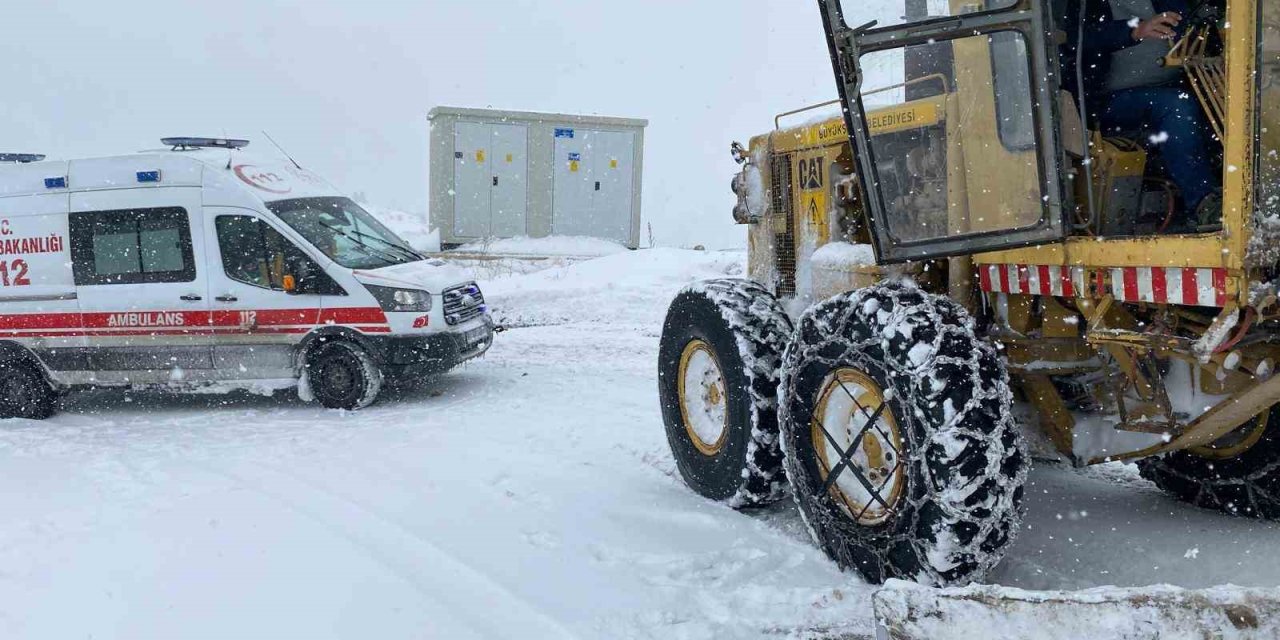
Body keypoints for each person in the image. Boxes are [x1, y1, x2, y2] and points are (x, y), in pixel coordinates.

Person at [1060, 0, 1222, 231]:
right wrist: (1134, 30)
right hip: (1109, 100)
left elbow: (1200, 29)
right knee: (1176, 105)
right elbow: (1077, 38)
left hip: (1178, 85)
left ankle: (1236, 193)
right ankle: (1204, 204)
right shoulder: (1088, 4)